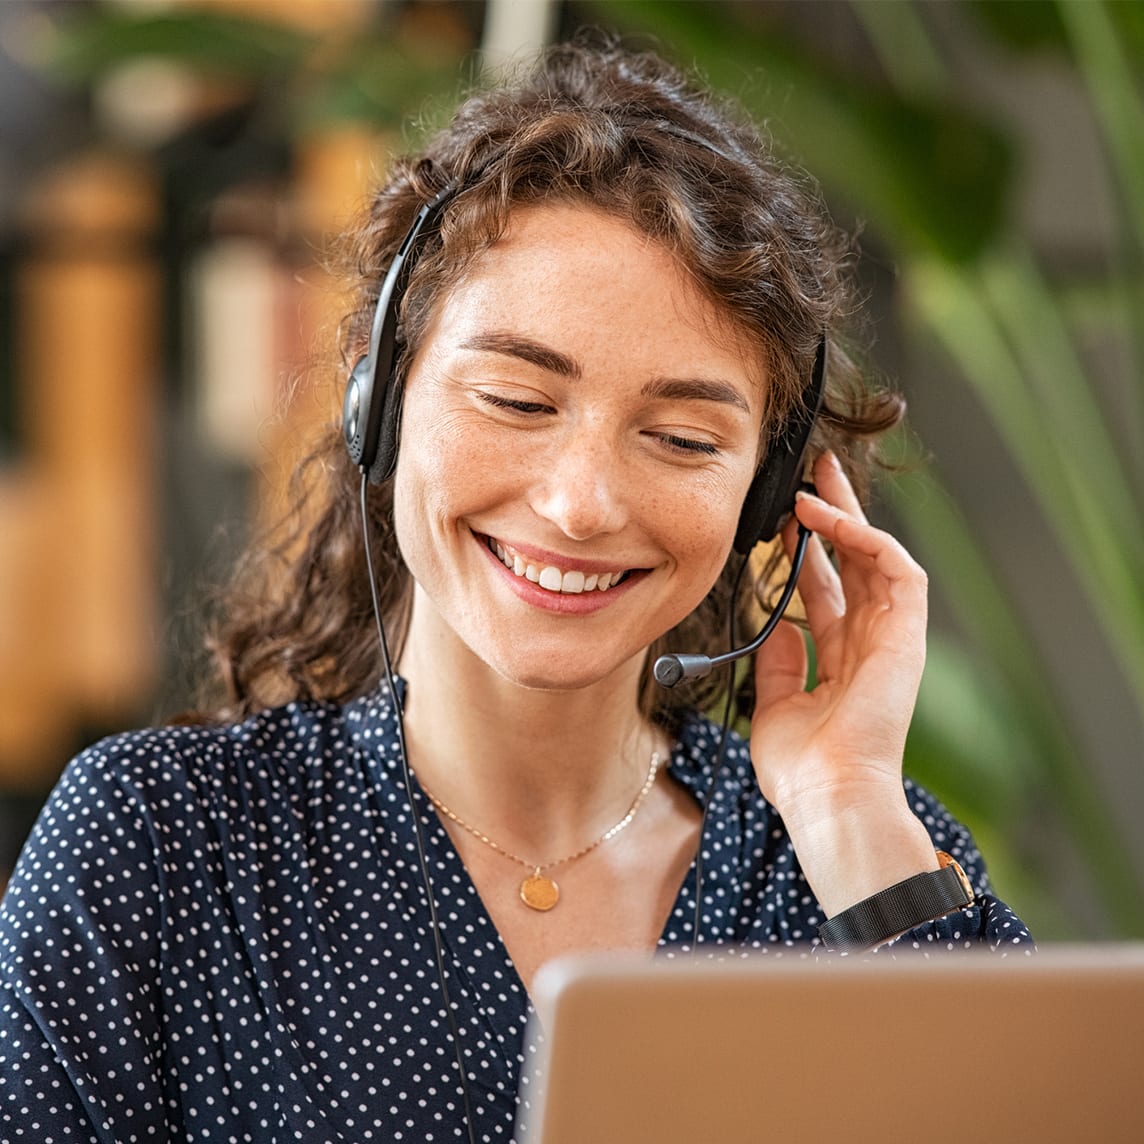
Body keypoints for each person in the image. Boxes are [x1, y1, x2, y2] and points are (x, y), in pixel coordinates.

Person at [0, 37, 1031, 1142]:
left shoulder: (858, 855)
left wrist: (849, 821)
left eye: (681, 437)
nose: (582, 502)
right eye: (518, 400)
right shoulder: (162, 843)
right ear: (380, 399)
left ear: (769, 489)